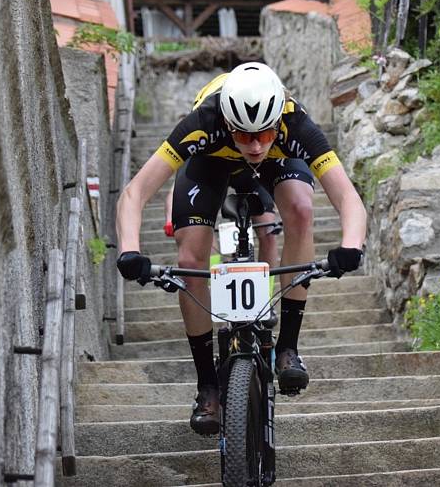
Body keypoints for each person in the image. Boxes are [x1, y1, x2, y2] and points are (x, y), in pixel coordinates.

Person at [116, 62, 366, 435]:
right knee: (189, 258)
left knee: (299, 208)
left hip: (279, 163)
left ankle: (287, 347)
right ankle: (208, 385)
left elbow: (348, 197)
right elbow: (135, 192)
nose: (254, 145)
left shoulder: (295, 124)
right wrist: (129, 250)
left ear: (276, 122)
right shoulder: (204, 121)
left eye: (264, 135)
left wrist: (350, 245)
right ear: (228, 123)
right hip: (211, 161)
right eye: (245, 135)